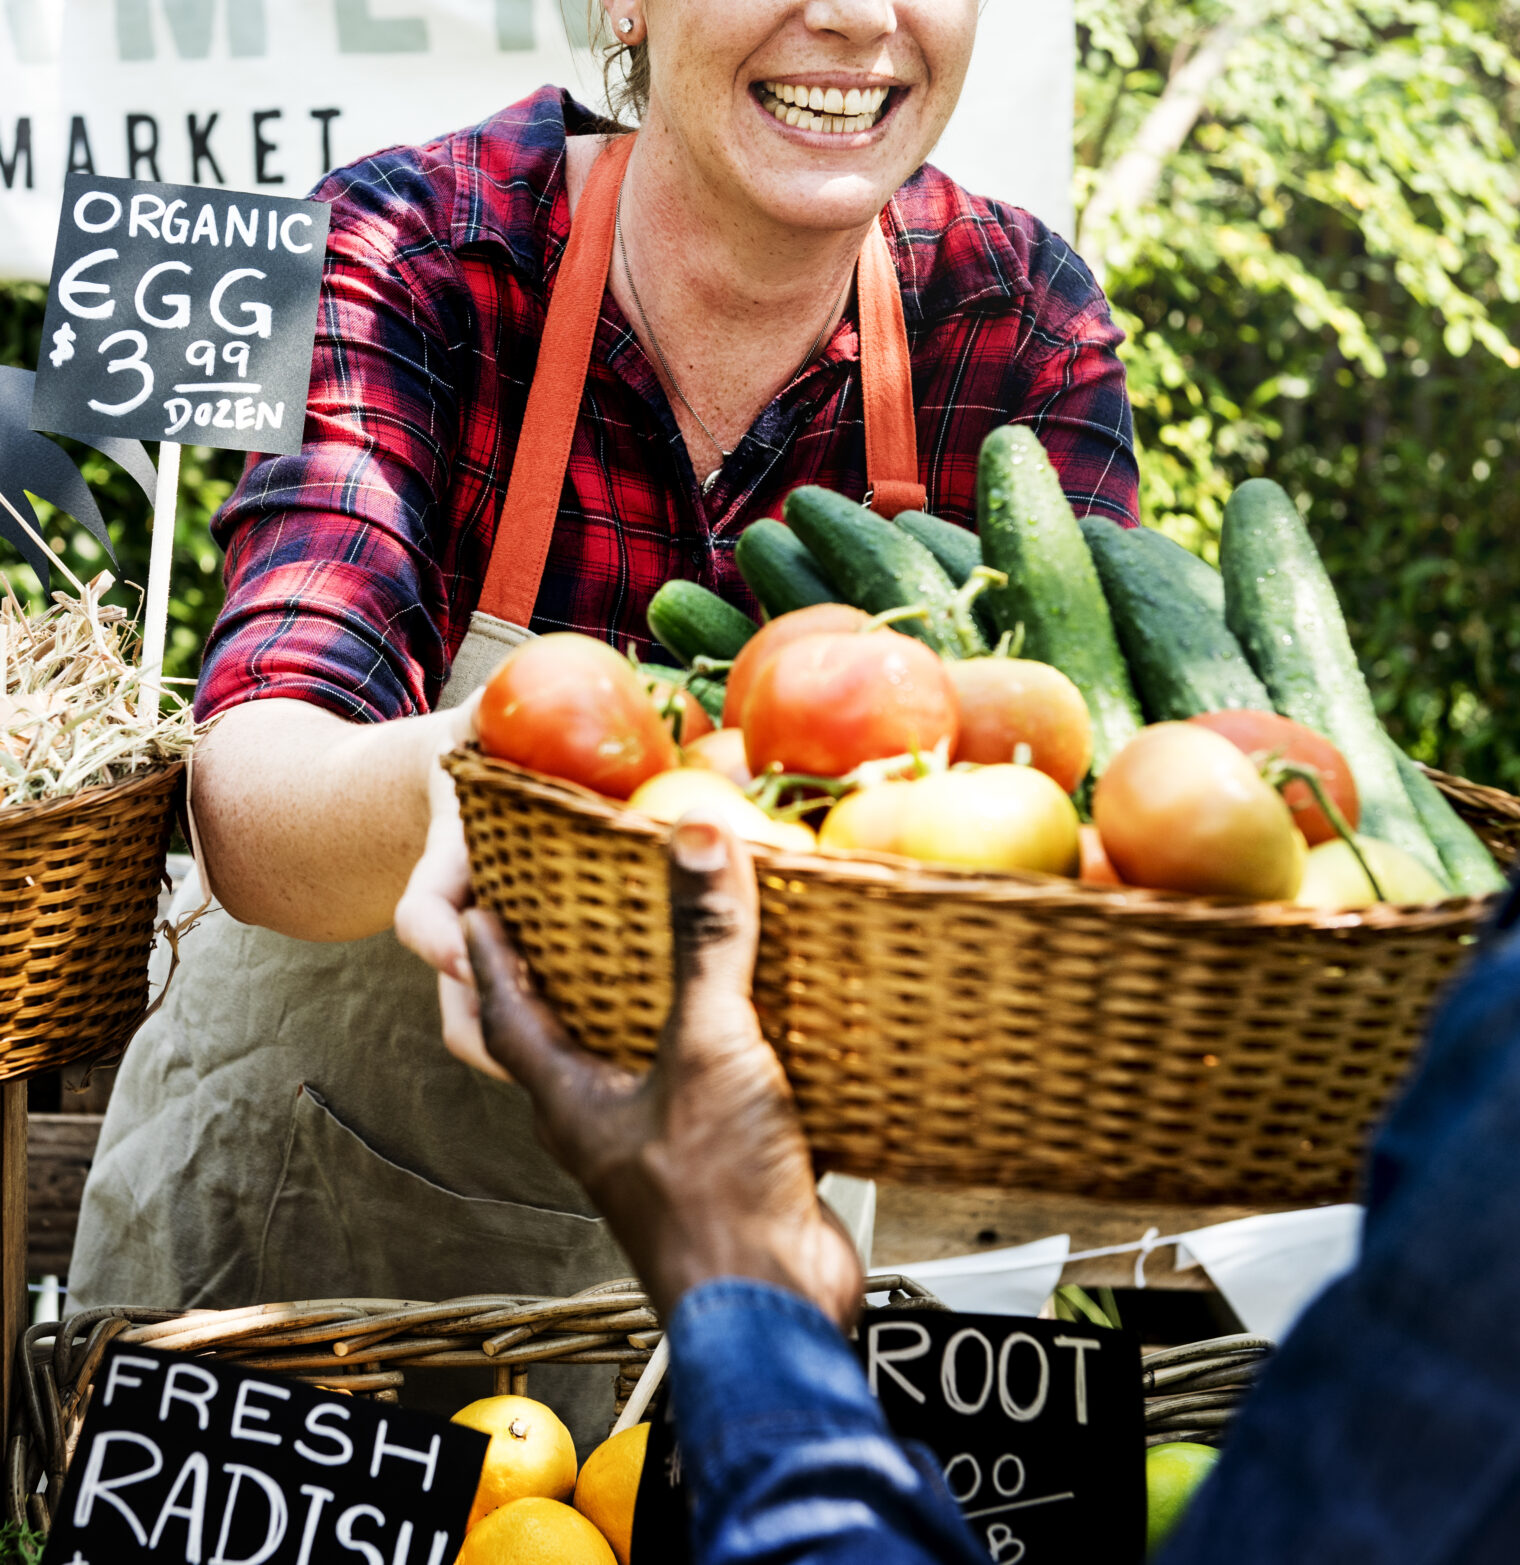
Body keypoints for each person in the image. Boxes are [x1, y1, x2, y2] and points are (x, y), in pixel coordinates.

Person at [468, 0, 1520, 1554]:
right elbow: (267, 751)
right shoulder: (440, 229)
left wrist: (746, 1287)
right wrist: (551, 766)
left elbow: (1091, 835)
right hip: (423, 1237)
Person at [69, 0, 1136, 1435]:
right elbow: (257, 797)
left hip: (767, 1323)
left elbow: (1084, 825)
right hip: (322, 1310)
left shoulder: (1018, 318)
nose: (859, 17)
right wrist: (502, 774)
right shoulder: (410, 242)